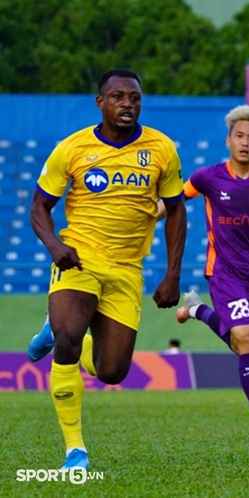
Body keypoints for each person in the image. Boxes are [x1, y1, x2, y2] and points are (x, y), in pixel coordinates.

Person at [27, 68, 187, 471]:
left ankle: (62, 334)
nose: (127, 104)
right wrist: (54, 245)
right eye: (117, 97)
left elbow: (177, 212)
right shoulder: (73, 148)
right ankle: (74, 450)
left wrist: (172, 275)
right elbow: (39, 207)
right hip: (78, 258)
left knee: (113, 371)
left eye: (134, 98)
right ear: (101, 103)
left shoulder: (162, 149)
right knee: (67, 340)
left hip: (127, 268)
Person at [162, 104, 249, 440]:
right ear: (228, 141)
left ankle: (197, 309)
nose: (245, 142)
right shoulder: (208, 177)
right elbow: (173, 201)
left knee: (244, 346)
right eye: (239, 136)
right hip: (224, 273)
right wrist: (143, 216)